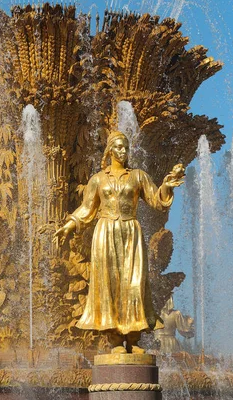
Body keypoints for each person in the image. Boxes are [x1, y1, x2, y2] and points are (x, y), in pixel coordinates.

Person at [54, 131, 185, 354]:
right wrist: (69, 225)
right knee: (110, 285)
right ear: (110, 150)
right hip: (105, 233)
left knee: (134, 284)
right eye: (119, 147)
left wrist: (167, 187)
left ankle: (134, 338)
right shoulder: (98, 179)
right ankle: (115, 340)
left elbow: (156, 200)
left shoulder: (137, 176)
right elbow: (87, 209)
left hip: (130, 233)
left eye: (126, 147)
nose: (123, 152)